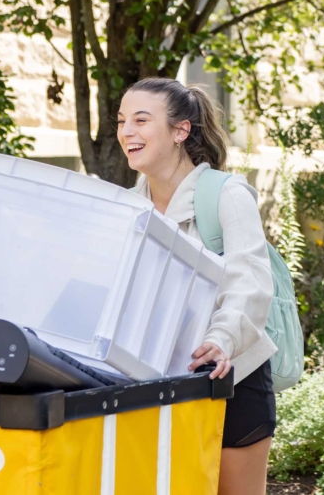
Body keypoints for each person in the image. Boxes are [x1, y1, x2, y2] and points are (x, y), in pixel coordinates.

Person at [117, 77, 276, 495]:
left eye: (140, 120)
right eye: (121, 122)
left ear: (180, 130)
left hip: (230, 381)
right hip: (154, 386)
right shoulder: (129, 207)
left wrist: (222, 340)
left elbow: (251, 283)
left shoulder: (226, 195)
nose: (126, 131)